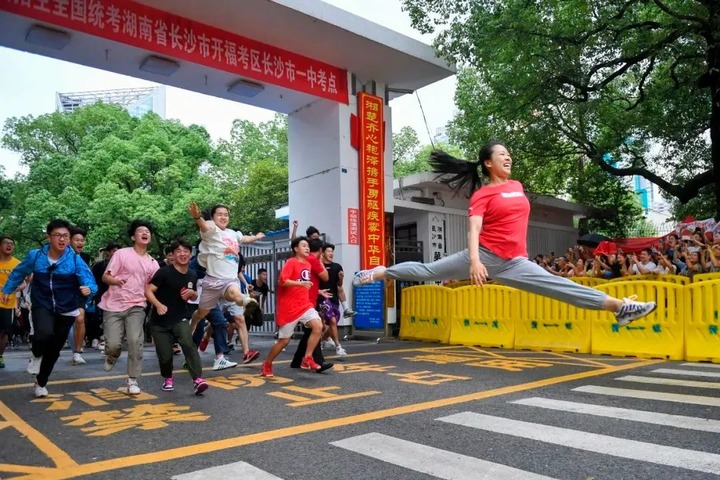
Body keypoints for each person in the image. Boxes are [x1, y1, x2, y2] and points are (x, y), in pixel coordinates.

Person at [353, 142, 657, 327]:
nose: (508, 158)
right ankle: (380, 272)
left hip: (515, 262)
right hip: (485, 256)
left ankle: (620, 309)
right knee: (428, 271)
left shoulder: (516, 186)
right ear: (488, 163)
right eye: (502, 154)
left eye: (509, 154)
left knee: (559, 286)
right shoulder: (483, 194)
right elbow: (474, 229)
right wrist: (475, 262)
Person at [1, 220, 97, 397]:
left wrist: (89, 289)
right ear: (48, 237)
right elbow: (19, 272)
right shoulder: (36, 256)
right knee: (43, 334)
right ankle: (36, 355)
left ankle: (41, 382)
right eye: (57, 235)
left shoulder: (74, 259)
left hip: (66, 307)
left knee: (54, 349)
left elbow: (89, 280)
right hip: (42, 303)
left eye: (65, 236)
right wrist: (7, 289)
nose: (62, 239)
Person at [99, 220, 159, 395]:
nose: (145, 233)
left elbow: (153, 287)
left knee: (135, 341)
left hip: (137, 305)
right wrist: (116, 281)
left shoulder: (153, 263)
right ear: (133, 237)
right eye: (141, 231)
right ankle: (112, 355)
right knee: (113, 344)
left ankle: (133, 379)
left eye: (147, 231)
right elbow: (105, 277)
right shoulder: (121, 254)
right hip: (114, 304)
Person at [186, 203, 262, 339]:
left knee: (235, 293)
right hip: (213, 281)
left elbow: (244, 239)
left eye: (226, 215)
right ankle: (193, 324)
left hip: (230, 279)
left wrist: (256, 237)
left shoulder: (233, 233)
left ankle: (246, 301)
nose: (223, 217)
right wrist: (197, 217)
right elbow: (204, 226)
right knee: (202, 313)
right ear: (212, 217)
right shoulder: (211, 229)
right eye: (220, 214)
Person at [144, 239, 208, 395]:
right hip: (159, 322)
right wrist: (158, 305)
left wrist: (193, 294)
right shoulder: (164, 272)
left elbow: (193, 297)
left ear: (190, 254)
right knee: (165, 356)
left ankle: (198, 379)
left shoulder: (192, 274)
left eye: (186, 251)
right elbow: (148, 290)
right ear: (172, 255)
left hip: (180, 318)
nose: (182, 254)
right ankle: (168, 378)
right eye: (178, 251)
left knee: (188, 344)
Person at [260, 236, 324, 377]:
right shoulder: (291, 262)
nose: (307, 248)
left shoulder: (308, 264)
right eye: (303, 245)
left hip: (304, 305)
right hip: (289, 308)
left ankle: (307, 358)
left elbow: (306, 285)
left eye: (308, 246)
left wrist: (317, 291)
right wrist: (300, 284)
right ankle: (267, 363)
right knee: (284, 341)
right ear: (296, 249)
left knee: (318, 326)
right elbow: (283, 281)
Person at [319, 242, 348, 356]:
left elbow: (339, 285)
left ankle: (321, 340)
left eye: (332, 251)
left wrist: (341, 278)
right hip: (322, 298)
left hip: (334, 298)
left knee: (332, 324)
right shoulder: (318, 267)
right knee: (332, 321)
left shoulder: (337, 267)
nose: (331, 253)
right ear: (322, 253)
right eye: (328, 251)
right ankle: (338, 347)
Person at [68, 226, 91, 365]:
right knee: (64, 324)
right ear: (69, 240)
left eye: (82, 240)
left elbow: (87, 276)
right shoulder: (61, 255)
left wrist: (89, 288)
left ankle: (77, 352)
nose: (80, 243)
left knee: (80, 319)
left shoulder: (85, 257)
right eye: (76, 240)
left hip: (79, 292)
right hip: (63, 293)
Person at [0, 236, 23, 368]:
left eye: (11, 243)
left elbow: (24, 283)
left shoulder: (17, 264)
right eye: (5, 243)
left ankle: (0, 355)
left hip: (7, 304)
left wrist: (14, 288)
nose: (9, 245)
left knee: (4, 332)